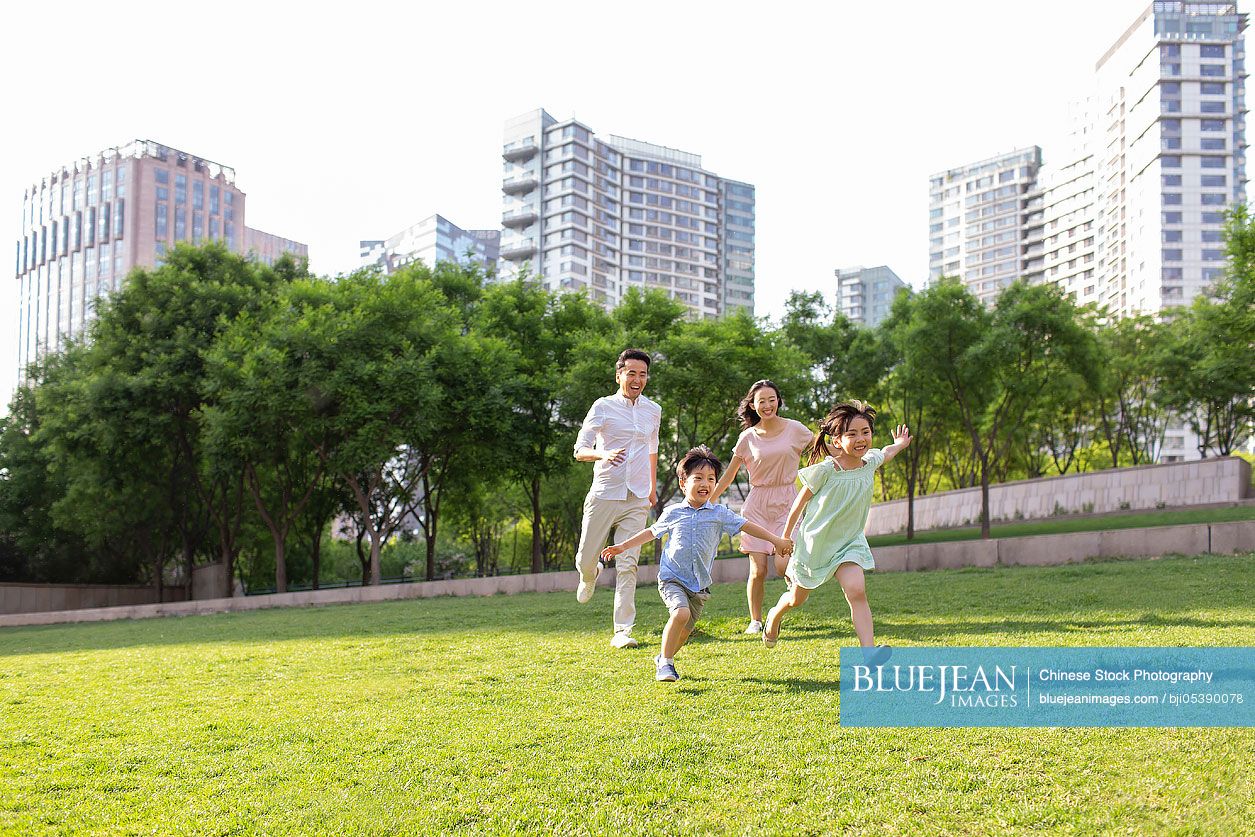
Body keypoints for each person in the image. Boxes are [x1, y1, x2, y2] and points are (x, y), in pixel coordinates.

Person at [603, 446, 794, 682]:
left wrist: (775, 539)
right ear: (683, 483)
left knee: (684, 631)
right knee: (680, 613)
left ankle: (664, 656)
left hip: (699, 585)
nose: (706, 483)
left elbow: (747, 525)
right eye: (699, 478)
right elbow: (651, 533)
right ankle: (666, 663)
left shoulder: (719, 513)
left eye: (711, 479)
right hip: (672, 578)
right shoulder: (673, 513)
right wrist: (622, 546)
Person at [763, 400, 910, 665]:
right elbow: (800, 502)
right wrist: (785, 537)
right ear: (838, 440)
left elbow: (886, 452)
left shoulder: (869, 462)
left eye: (865, 432)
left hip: (849, 543)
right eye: (851, 434)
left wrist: (900, 444)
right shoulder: (827, 469)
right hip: (815, 545)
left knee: (856, 590)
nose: (860, 439)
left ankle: (869, 654)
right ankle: (774, 616)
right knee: (796, 598)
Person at [573, 348, 661, 649]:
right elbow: (580, 450)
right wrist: (603, 454)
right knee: (586, 557)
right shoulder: (603, 406)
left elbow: (652, 449)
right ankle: (590, 574)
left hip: (637, 497)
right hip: (605, 493)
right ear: (619, 374)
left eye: (643, 374)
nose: (637, 379)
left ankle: (622, 630)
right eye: (631, 373)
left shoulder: (653, 410)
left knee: (628, 563)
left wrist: (651, 487)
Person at [712, 380, 813, 635]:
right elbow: (728, 475)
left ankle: (783, 606)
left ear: (778, 401)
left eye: (771, 399)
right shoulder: (747, 437)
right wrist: (709, 499)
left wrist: (847, 454)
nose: (767, 405)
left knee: (783, 566)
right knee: (758, 570)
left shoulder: (795, 429)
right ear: (753, 406)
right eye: (761, 401)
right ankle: (755, 621)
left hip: (787, 502)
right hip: (757, 505)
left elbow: (820, 448)